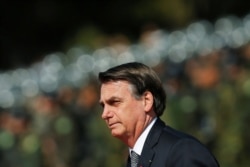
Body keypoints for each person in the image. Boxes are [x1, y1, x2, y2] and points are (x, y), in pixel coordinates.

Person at [98, 62, 219, 167]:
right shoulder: (134, 159)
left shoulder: (183, 151)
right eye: (103, 106)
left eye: (115, 102)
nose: (105, 114)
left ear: (146, 101)